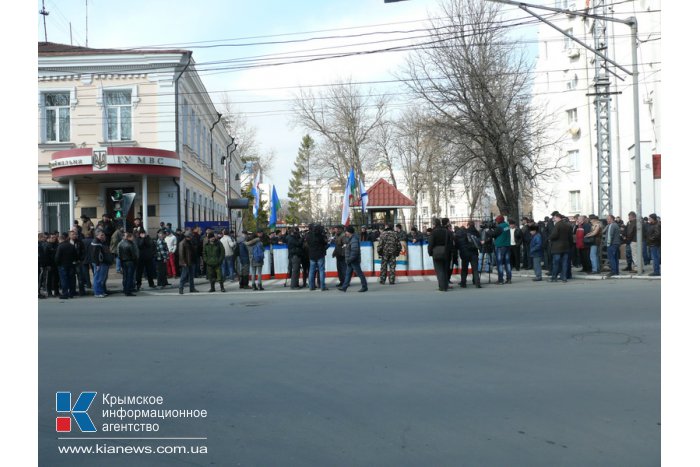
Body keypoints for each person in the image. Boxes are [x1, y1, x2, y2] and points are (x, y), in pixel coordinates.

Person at [339, 226, 368, 292]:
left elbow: (355, 251)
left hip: (353, 260)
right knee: (348, 274)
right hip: (351, 260)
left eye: (346, 231)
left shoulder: (354, 239)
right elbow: (347, 243)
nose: (345, 233)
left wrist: (350, 259)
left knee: (359, 273)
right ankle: (344, 287)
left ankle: (364, 286)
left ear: (349, 232)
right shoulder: (350, 238)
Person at [428, 218, 453, 292]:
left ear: (435, 224)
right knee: (445, 269)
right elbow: (450, 241)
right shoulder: (446, 231)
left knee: (439, 270)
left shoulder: (433, 232)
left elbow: (431, 243)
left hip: (436, 252)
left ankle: (442, 287)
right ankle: (445, 285)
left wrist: (430, 252)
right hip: (446, 252)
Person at [454, 223, 481, 288]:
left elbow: (457, 246)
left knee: (464, 269)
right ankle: (477, 283)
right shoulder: (472, 234)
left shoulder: (458, 236)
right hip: (473, 253)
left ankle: (463, 283)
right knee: (475, 269)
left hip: (464, 254)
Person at [548, 211, 572, 283]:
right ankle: (564, 277)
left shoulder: (557, 225)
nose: (554, 219)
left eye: (554, 218)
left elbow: (554, 235)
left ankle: (554, 277)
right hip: (566, 247)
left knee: (556, 263)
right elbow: (570, 237)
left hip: (557, 247)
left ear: (558, 218)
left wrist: (549, 238)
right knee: (564, 263)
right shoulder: (567, 225)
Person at [55, 233, 78, 299]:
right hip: (71, 264)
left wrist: (57, 264)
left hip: (62, 265)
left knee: (64, 279)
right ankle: (71, 293)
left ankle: (65, 293)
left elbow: (57, 257)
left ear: (60, 239)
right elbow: (76, 255)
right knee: (71, 279)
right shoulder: (71, 246)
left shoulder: (60, 246)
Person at [306, 223, 329, 291]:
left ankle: (311, 286)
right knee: (321, 270)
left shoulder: (308, 236)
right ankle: (322, 286)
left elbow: (308, 244)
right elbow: (325, 243)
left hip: (312, 255)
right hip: (320, 254)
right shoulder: (320, 236)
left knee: (311, 271)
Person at [89, 230, 112, 298]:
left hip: (102, 263)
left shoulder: (101, 242)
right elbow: (95, 255)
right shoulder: (96, 243)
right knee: (98, 278)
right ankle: (97, 292)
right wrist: (98, 264)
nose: (103, 236)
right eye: (101, 235)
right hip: (99, 263)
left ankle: (101, 291)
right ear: (97, 236)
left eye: (103, 235)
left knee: (101, 278)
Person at [118, 231, 139, 296]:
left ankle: (126, 289)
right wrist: (135, 261)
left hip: (123, 261)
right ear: (129, 237)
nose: (133, 238)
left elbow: (120, 255)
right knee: (129, 277)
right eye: (132, 237)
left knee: (126, 276)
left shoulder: (121, 244)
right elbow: (133, 255)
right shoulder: (130, 244)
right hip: (130, 262)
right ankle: (128, 291)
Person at [493, 215, 512, 285]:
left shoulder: (499, 227)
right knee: (507, 263)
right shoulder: (507, 225)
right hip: (507, 245)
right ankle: (509, 278)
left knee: (499, 263)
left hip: (500, 246)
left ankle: (500, 280)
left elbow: (493, 234)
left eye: (497, 221)